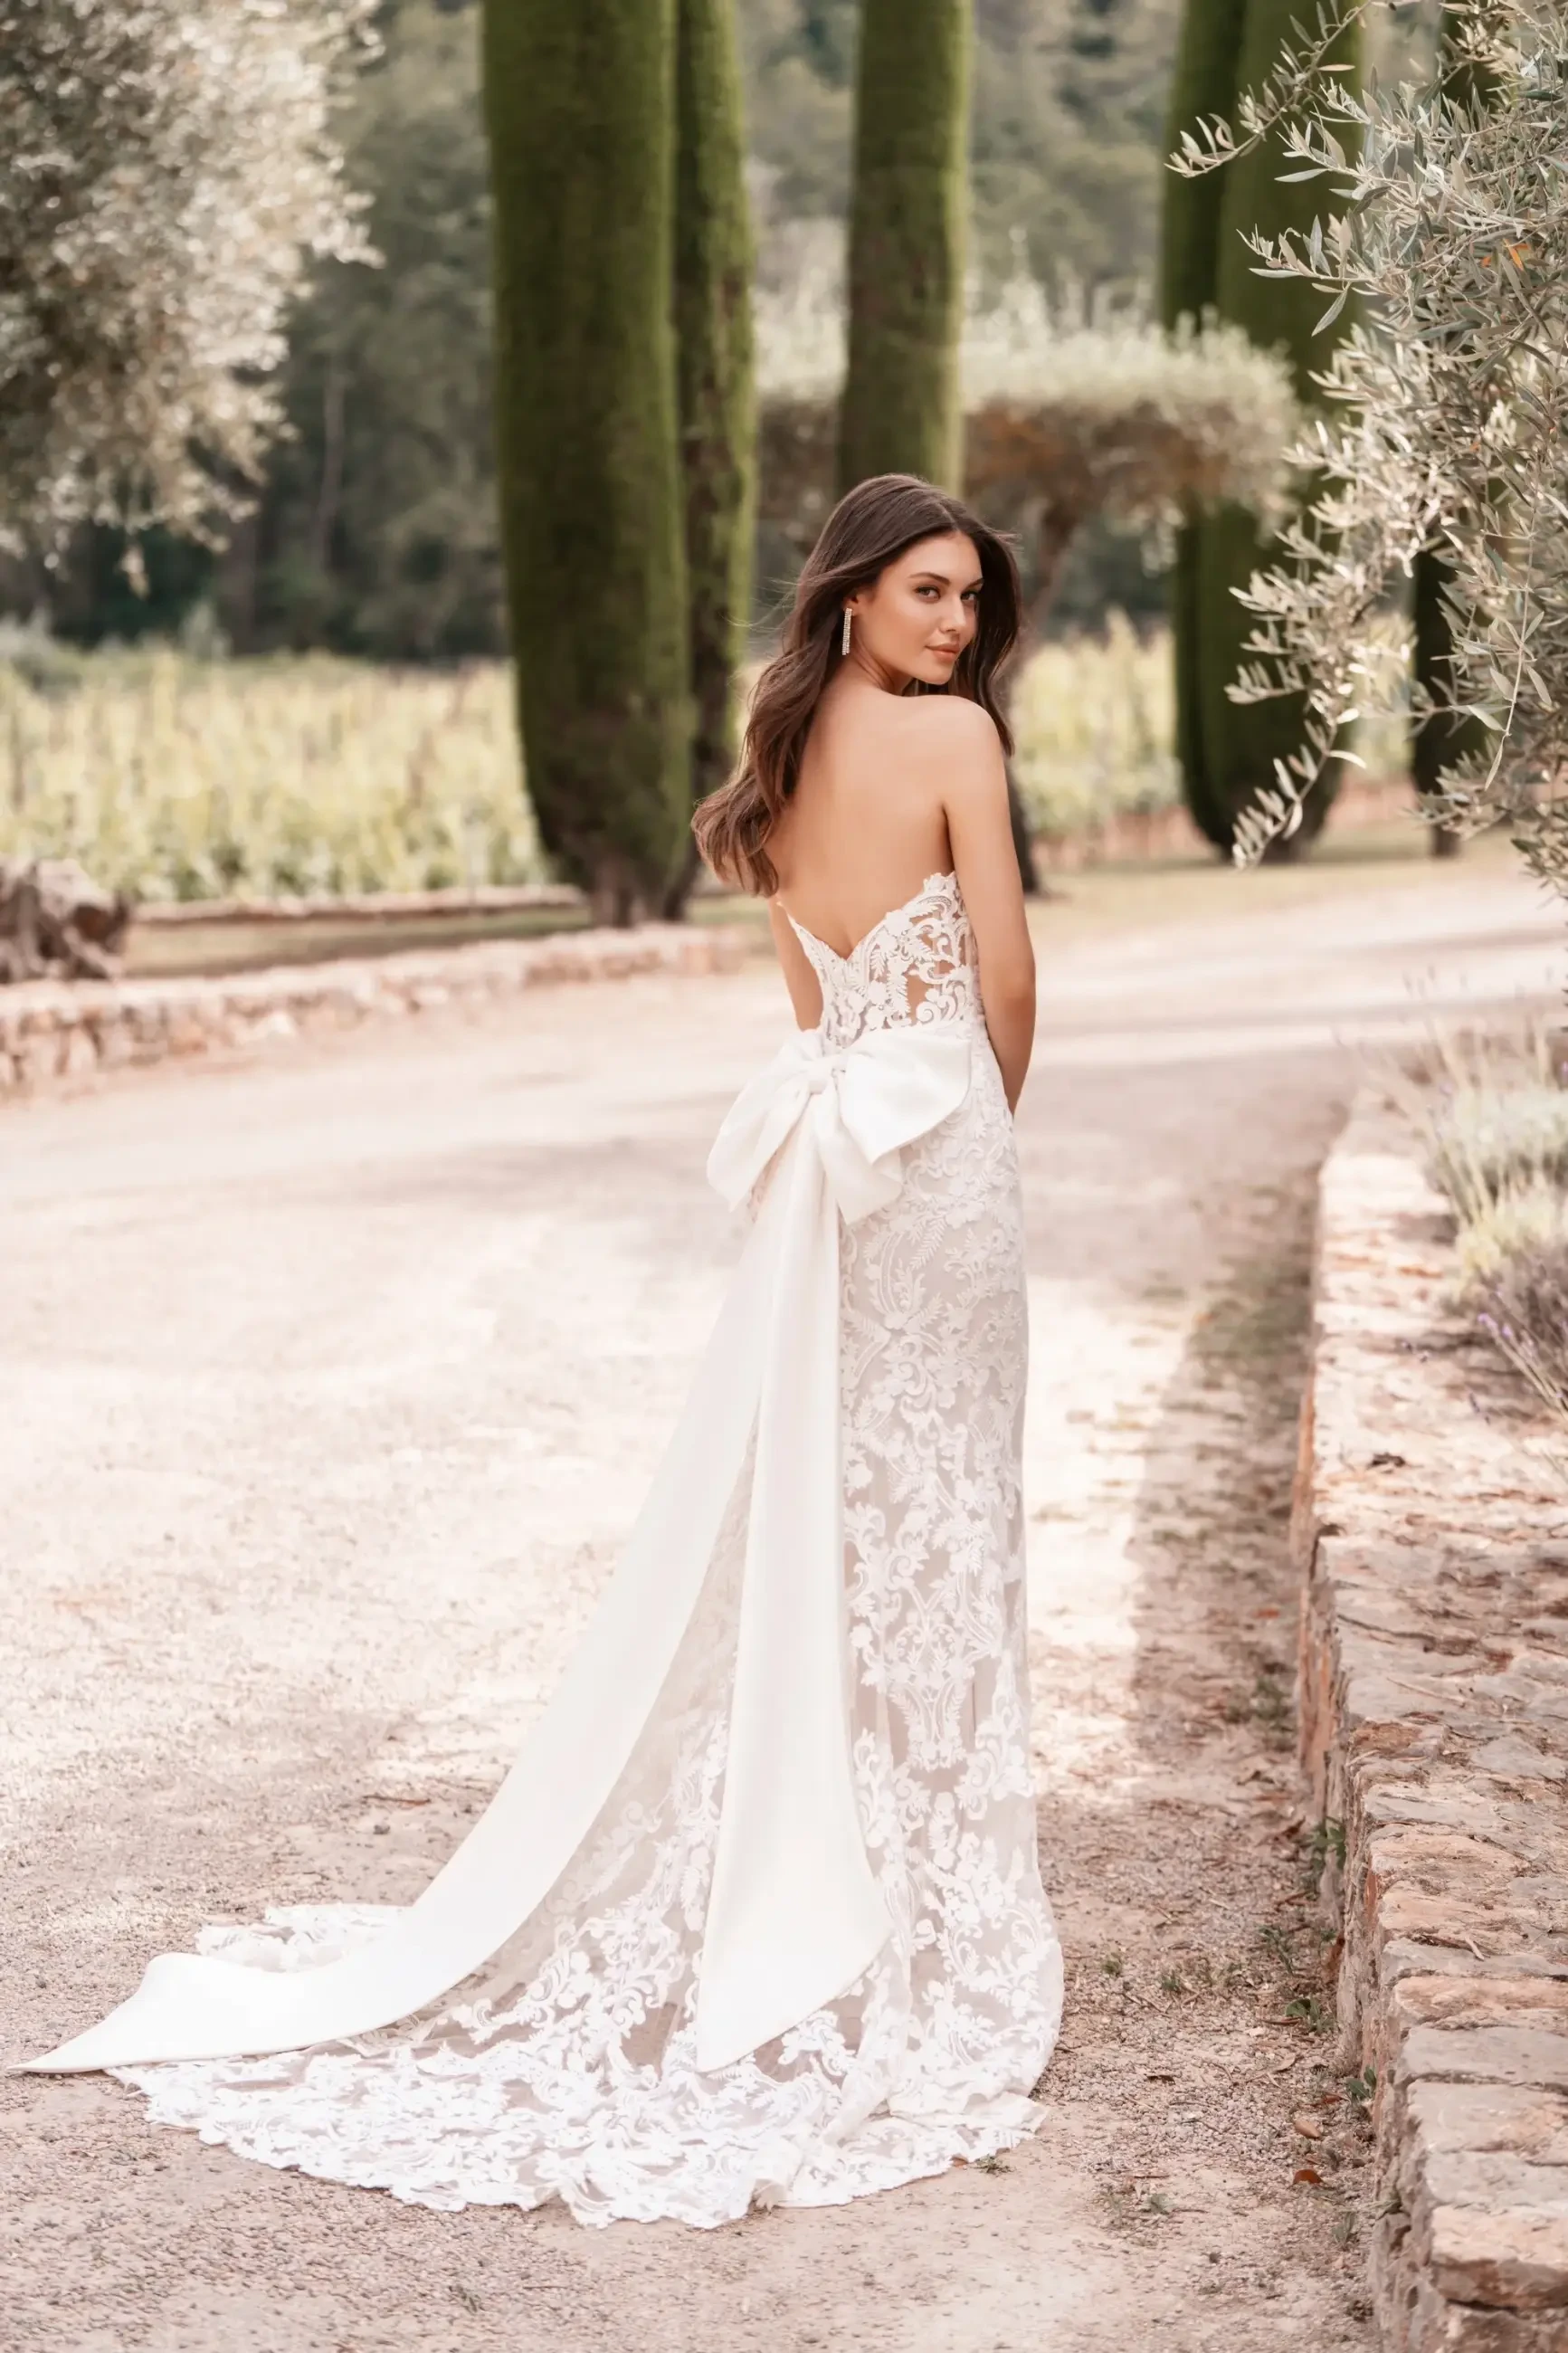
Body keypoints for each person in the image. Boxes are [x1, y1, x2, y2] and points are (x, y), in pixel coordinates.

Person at [24, 473, 1063, 2227]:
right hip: (932, 1161)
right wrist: (978, 1130)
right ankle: (913, 1896)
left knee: (822, 1518)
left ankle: (832, 1862)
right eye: (927, 593)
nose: (954, 626)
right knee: (938, 1516)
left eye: (966, 599)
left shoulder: (781, 759)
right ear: (853, 597)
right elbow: (1009, 981)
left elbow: (809, 1006)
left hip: (828, 1172)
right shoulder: (955, 741)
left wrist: (882, 1118)